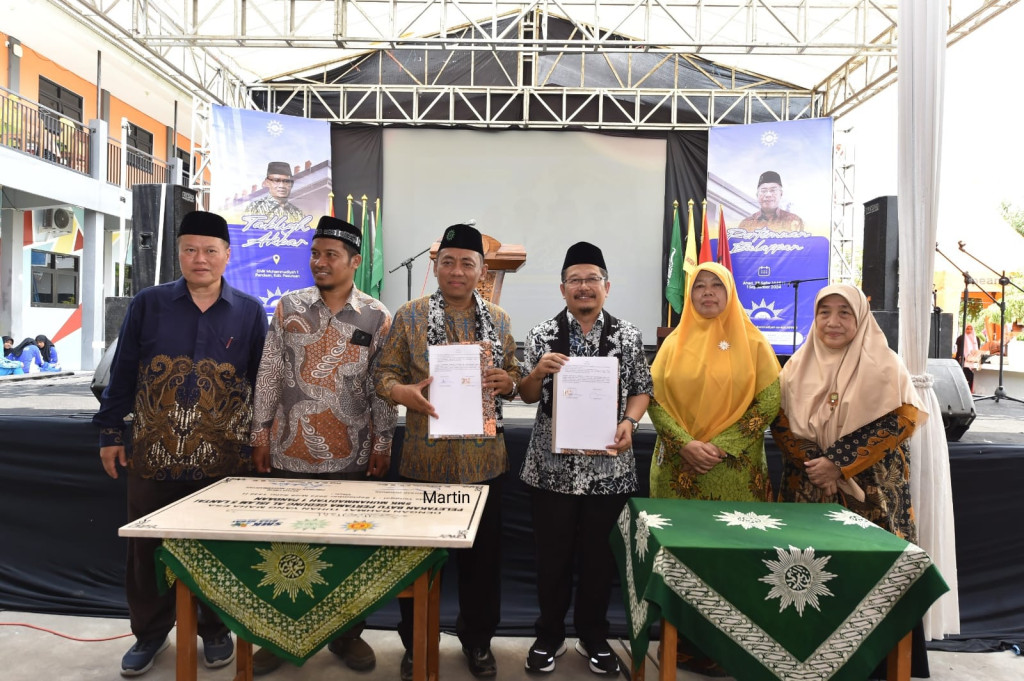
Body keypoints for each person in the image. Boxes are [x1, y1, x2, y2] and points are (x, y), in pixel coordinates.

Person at [93, 210, 268, 677]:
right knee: (146, 550)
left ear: (228, 256)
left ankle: (214, 630)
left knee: (213, 548)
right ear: (179, 253)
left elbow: (260, 384)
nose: (200, 259)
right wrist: (112, 433)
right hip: (153, 454)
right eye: (190, 249)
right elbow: (123, 372)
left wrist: (259, 440)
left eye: (211, 250)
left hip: (221, 461)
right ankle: (149, 635)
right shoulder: (148, 304)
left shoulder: (250, 312)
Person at [248, 215, 396, 676]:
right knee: (284, 547)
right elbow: (270, 371)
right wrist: (260, 432)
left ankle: (346, 636)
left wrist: (383, 442)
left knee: (347, 551)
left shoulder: (376, 315)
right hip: (291, 451)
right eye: (315, 254)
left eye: (331, 255)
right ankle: (278, 636)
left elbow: (381, 386)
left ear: (354, 261)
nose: (320, 262)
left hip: (352, 453)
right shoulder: (288, 306)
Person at [374, 223, 522, 681]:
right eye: (448, 262)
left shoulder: (498, 320)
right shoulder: (409, 316)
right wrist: (404, 393)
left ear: (481, 271)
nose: (457, 271)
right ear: (435, 267)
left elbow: (514, 374)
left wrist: (509, 381)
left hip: (483, 465)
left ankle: (478, 643)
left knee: (482, 566)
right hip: (424, 465)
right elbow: (382, 377)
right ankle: (417, 644)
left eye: (467, 263)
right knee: (420, 565)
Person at [517, 242, 652, 676]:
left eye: (592, 278)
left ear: (606, 287)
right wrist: (537, 371)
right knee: (552, 558)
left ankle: (594, 636)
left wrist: (630, 422)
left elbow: (641, 388)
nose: (583, 287)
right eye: (575, 280)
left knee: (598, 559)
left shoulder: (627, 335)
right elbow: (525, 395)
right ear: (562, 289)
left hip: (608, 469)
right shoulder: (541, 334)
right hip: (551, 469)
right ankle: (549, 635)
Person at [647, 262, 781, 677]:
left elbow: (768, 404)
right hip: (677, 470)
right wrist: (685, 444)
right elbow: (652, 398)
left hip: (735, 474)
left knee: (733, 560)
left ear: (729, 293)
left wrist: (720, 447)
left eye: (715, 286)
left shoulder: (754, 343)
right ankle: (682, 645)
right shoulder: (672, 344)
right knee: (683, 558)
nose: (707, 293)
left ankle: (734, 647)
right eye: (699, 287)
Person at [771, 284, 928, 542]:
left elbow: (904, 418)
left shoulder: (885, 364)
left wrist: (837, 463)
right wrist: (817, 465)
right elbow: (779, 420)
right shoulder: (796, 366)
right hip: (808, 485)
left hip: (871, 493)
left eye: (844, 313)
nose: (833, 322)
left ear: (861, 317)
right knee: (806, 568)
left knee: (869, 571)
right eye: (824, 313)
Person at [736, 171, 805, 232]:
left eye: (773, 190)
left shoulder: (794, 220)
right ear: (757, 195)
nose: (768, 195)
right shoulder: (746, 223)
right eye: (763, 191)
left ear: (781, 194)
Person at [954, 323, 981, 391]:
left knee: (972, 377)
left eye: (971, 329)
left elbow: (977, 350)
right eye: (967, 329)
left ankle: (970, 390)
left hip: (973, 361)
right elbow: (959, 350)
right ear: (965, 329)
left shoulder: (976, 339)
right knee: (964, 376)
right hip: (963, 361)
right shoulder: (960, 338)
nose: (969, 330)